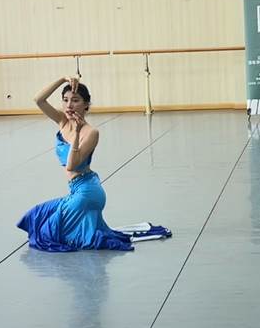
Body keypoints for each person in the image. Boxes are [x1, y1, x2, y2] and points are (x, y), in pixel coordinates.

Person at [16, 76, 169, 251]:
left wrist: (77, 133)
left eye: (75, 100)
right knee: (37, 215)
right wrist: (63, 79)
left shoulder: (91, 133)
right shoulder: (62, 121)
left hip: (88, 192)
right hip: (75, 191)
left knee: (45, 235)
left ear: (86, 105)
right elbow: (39, 100)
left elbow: (71, 166)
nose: (69, 105)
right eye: (65, 100)